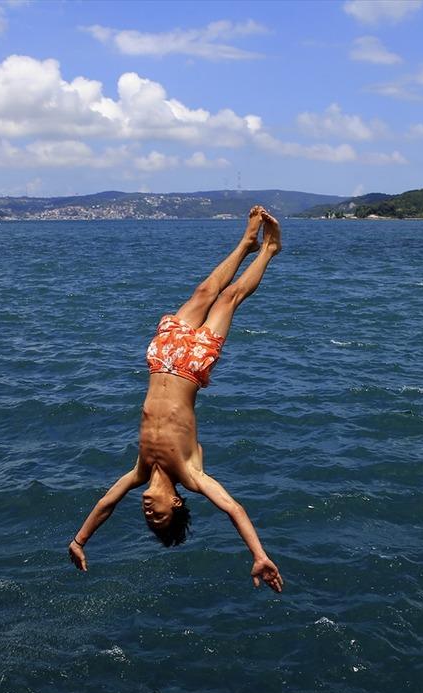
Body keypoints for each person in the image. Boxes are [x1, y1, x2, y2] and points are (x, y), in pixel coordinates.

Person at [67, 206, 284, 593]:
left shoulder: (139, 471)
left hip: (160, 359)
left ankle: (246, 243)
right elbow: (233, 508)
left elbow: (105, 504)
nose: (150, 513)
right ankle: (267, 250)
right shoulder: (192, 475)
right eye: (160, 518)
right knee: (228, 298)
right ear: (178, 505)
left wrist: (79, 540)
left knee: (203, 290)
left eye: (149, 518)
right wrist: (258, 555)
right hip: (190, 367)